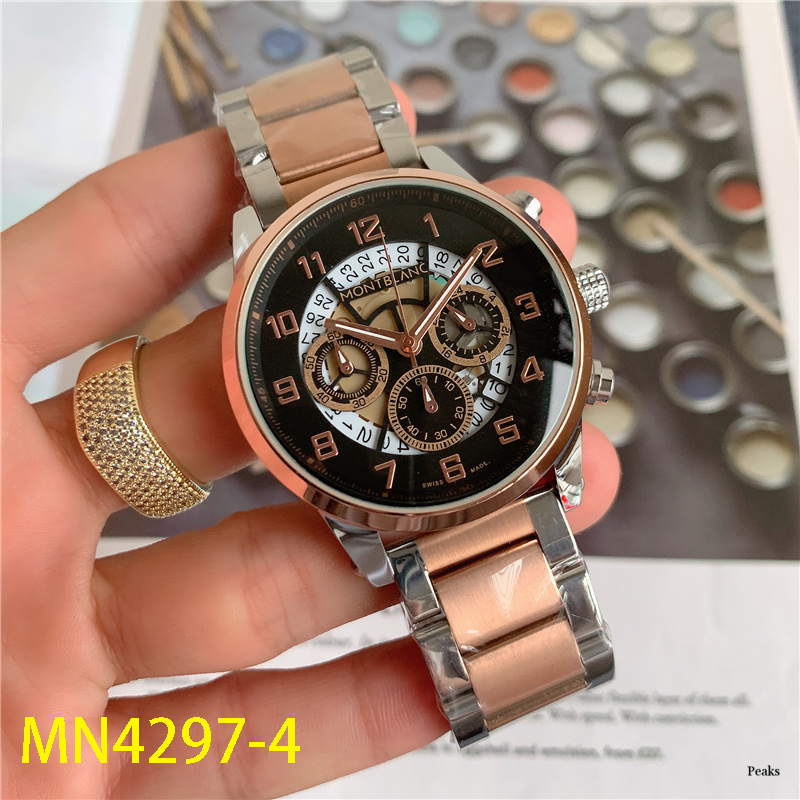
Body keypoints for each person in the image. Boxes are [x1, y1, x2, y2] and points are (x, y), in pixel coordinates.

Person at [1, 87, 620, 798]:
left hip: (507, 458)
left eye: (428, 333)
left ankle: (546, 655)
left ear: (575, 293)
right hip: (419, 474)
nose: (412, 344)